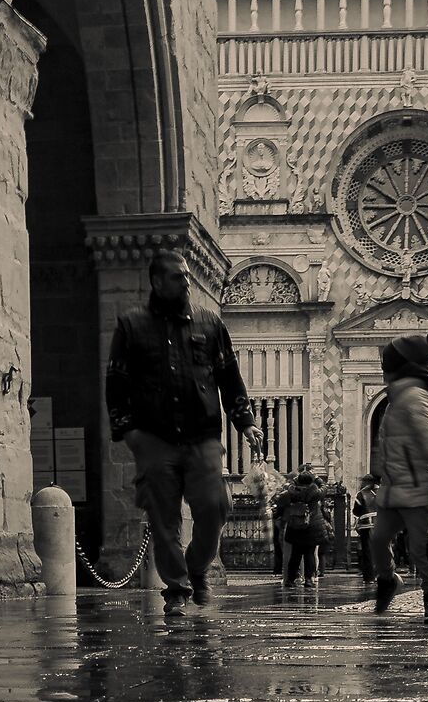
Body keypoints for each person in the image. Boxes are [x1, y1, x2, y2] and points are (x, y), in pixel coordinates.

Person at [106, 246, 256, 611]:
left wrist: (245, 421)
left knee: (215, 506)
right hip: (154, 438)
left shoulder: (210, 323)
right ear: (157, 282)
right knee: (163, 518)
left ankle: (198, 566)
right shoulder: (131, 325)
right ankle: (176, 587)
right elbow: (116, 383)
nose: (186, 281)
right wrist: (129, 433)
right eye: (178, 276)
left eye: (188, 275)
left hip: (202, 435)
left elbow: (229, 375)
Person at [370, 328, 428, 623]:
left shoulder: (415, 396)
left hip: (418, 485)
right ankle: (388, 579)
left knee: (420, 546)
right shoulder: (397, 398)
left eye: (385, 366)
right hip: (395, 486)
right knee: (378, 539)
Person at [279, 469, 329, 590]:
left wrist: (294, 481)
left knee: (295, 554)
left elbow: (281, 502)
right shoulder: (315, 493)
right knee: (309, 554)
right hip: (312, 527)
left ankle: (290, 579)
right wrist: (317, 478)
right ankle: (308, 579)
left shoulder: (291, 493)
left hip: (295, 526)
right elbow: (324, 487)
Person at [354, 473, 381, 588]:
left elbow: (356, 510)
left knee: (368, 552)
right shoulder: (381, 493)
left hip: (366, 525)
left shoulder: (361, 494)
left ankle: (369, 577)